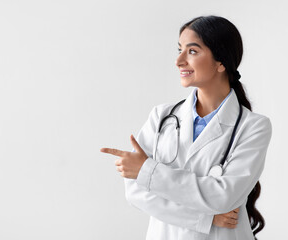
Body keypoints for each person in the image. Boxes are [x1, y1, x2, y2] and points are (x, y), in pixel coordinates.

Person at [100, 15, 272, 240]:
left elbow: (223, 197)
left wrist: (147, 171)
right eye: (179, 49)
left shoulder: (254, 127)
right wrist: (205, 219)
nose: (179, 60)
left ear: (221, 62)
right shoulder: (161, 116)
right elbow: (136, 192)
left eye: (192, 51)